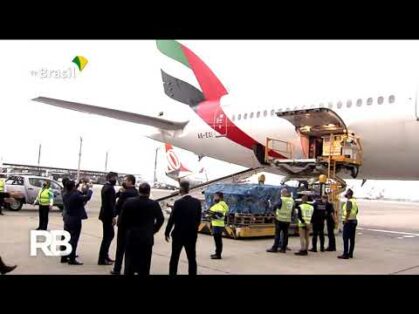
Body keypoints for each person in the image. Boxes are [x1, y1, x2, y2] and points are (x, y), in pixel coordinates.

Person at [118, 183, 164, 275]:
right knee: (145, 265)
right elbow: (160, 219)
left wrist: (126, 230)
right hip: (146, 238)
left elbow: (122, 220)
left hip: (132, 236)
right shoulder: (154, 204)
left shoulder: (129, 202)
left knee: (129, 263)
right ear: (149, 192)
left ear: (139, 191)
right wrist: (153, 230)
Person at [165, 180, 202, 275]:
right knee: (192, 258)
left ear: (180, 189)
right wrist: (194, 229)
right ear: (189, 189)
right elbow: (198, 219)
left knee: (174, 257)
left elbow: (172, 219)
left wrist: (167, 232)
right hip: (191, 235)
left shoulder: (178, 203)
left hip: (178, 234)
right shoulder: (197, 202)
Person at [110, 174, 139, 275]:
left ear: (130, 181)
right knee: (131, 248)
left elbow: (118, 206)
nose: (124, 182)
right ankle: (130, 269)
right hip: (134, 224)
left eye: (126, 180)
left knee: (120, 247)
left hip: (124, 224)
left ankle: (117, 269)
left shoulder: (125, 193)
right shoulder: (137, 193)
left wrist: (113, 216)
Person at [62, 180, 93, 265]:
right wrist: (90, 189)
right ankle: (72, 259)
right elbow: (87, 197)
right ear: (73, 187)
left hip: (67, 217)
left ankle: (64, 257)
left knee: (66, 238)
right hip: (75, 219)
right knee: (74, 239)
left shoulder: (65, 194)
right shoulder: (75, 195)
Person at [98, 172, 118, 266]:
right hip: (108, 216)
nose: (116, 180)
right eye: (114, 178)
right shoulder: (110, 188)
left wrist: (118, 194)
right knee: (108, 237)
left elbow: (111, 199)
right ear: (110, 178)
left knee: (108, 236)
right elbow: (110, 204)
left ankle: (105, 256)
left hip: (104, 215)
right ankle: (102, 259)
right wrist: (113, 216)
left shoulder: (106, 187)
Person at [267, 188, 295, 253]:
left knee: (277, 234)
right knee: (285, 234)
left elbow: (274, 206)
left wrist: (275, 215)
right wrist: (291, 217)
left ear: (284, 193)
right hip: (287, 220)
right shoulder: (292, 200)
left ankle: (275, 248)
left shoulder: (282, 199)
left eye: (282, 193)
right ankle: (283, 249)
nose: (281, 194)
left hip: (279, 219)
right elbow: (293, 210)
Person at [338, 189, 359, 259]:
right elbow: (356, 211)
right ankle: (350, 253)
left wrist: (346, 219)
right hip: (354, 220)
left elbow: (348, 211)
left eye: (346, 193)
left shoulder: (349, 201)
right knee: (352, 238)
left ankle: (345, 254)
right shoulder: (355, 201)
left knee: (345, 238)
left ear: (348, 194)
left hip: (348, 221)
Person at [208, 192, 228, 259]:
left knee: (218, 241)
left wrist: (210, 214)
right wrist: (211, 214)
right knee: (218, 240)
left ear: (219, 197)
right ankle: (217, 253)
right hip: (218, 224)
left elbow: (219, 216)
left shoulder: (219, 205)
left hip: (217, 225)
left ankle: (218, 255)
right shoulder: (222, 205)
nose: (214, 198)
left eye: (215, 196)